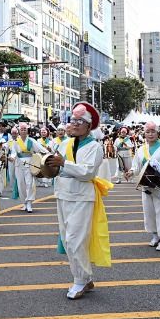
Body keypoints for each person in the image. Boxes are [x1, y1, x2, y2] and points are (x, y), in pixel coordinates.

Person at [44, 103, 106, 300]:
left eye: (80, 121)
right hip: (63, 193)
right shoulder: (64, 143)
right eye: (73, 120)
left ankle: (80, 279)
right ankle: (85, 278)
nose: (76, 124)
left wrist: (64, 164)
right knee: (67, 238)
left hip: (81, 196)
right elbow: (55, 164)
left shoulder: (95, 147)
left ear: (89, 125)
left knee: (75, 239)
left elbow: (87, 172)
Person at [127, 121, 160, 251]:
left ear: (158, 133)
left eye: (153, 131)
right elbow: (136, 166)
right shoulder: (141, 149)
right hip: (146, 186)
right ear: (144, 134)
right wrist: (131, 172)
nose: (150, 134)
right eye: (147, 132)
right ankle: (155, 235)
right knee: (149, 212)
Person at [9, 122, 40, 212]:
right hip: (19, 164)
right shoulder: (15, 142)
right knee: (21, 184)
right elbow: (14, 152)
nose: (23, 131)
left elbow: (39, 149)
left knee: (29, 183)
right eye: (21, 129)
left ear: (27, 131)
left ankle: (29, 202)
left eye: (25, 129)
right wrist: (12, 157)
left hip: (29, 164)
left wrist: (47, 153)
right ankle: (24, 203)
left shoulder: (31, 141)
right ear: (19, 131)